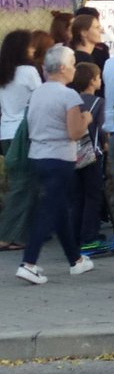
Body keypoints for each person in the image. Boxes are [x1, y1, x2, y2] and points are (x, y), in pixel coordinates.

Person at [14, 45, 96, 285]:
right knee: (49, 210)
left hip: (37, 155)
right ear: (62, 68)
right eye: (71, 65)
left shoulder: (37, 93)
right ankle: (28, 263)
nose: (73, 70)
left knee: (58, 208)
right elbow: (74, 133)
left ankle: (76, 260)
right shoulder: (69, 95)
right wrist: (87, 118)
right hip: (60, 157)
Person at [0, 30, 41, 251]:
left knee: (19, 183)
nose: (33, 50)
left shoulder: (4, 71)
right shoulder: (28, 72)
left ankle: (20, 235)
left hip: (5, 131)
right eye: (30, 46)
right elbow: (40, 97)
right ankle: (7, 233)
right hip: (23, 133)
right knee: (23, 185)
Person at [68, 62, 106, 256]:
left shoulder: (72, 100)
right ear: (92, 80)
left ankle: (75, 237)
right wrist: (102, 148)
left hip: (72, 154)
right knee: (93, 197)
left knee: (77, 198)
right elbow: (100, 130)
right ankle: (90, 238)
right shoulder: (98, 103)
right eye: (98, 77)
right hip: (92, 154)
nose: (100, 80)